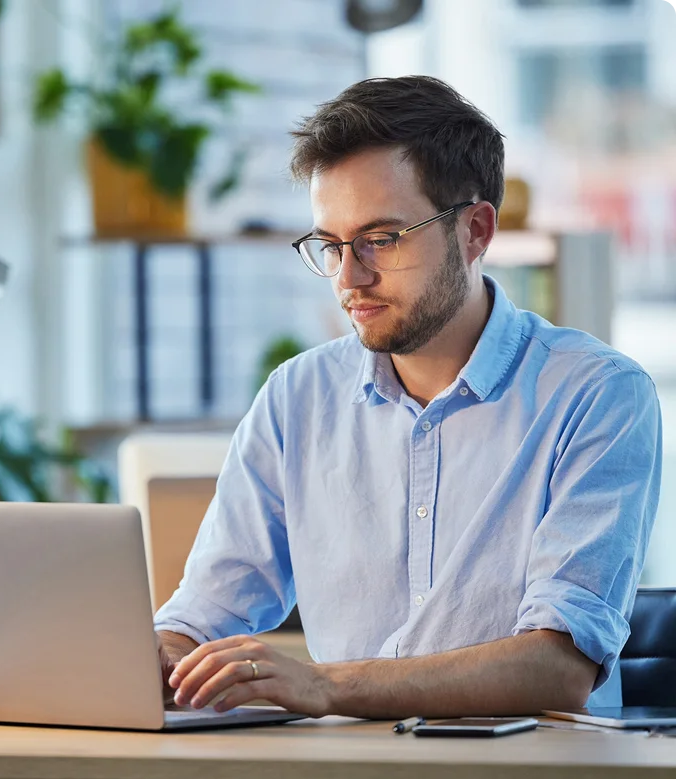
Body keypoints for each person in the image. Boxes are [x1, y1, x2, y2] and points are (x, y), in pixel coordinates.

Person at [153, 75, 662, 720]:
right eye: (331, 245)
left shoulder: (597, 395)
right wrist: (158, 655)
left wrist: (326, 686)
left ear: (475, 231)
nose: (349, 277)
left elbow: (559, 667)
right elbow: (203, 617)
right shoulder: (297, 395)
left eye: (381, 239)